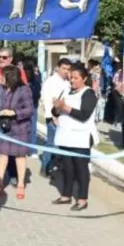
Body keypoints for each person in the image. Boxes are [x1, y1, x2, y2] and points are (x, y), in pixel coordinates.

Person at [51, 64, 99, 211]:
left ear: (84, 79)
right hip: (65, 136)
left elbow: (84, 114)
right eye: (71, 77)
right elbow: (56, 110)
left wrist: (65, 108)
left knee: (81, 169)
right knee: (67, 167)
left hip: (81, 137)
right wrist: (57, 108)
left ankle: (82, 199)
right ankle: (66, 194)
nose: (72, 81)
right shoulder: (66, 90)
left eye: (76, 78)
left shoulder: (88, 93)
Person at [0, 65, 34, 200]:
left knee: (20, 156)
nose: (0, 78)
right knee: (2, 155)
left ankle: (21, 184)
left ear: (10, 77)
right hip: (3, 128)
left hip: (20, 128)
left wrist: (14, 113)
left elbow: (29, 110)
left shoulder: (24, 90)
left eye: (2, 75)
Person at [39, 58, 72, 177]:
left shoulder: (68, 82)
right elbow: (46, 99)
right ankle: (45, 166)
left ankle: (58, 166)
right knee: (52, 143)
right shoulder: (51, 81)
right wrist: (52, 116)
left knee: (63, 144)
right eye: (64, 68)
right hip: (54, 117)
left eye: (68, 69)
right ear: (58, 67)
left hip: (65, 117)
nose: (66, 71)